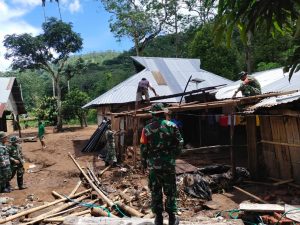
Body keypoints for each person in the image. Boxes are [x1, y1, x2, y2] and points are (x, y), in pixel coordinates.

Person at [140, 103, 183, 225]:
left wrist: (143, 163)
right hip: (169, 165)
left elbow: (143, 148)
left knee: (155, 190)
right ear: (164, 113)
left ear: (153, 114)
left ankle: (158, 218)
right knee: (170, 190)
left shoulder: (146, 129)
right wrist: (173, 156)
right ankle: (172, 218)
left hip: (154, 166)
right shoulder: (172, 126)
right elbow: (180, 142)